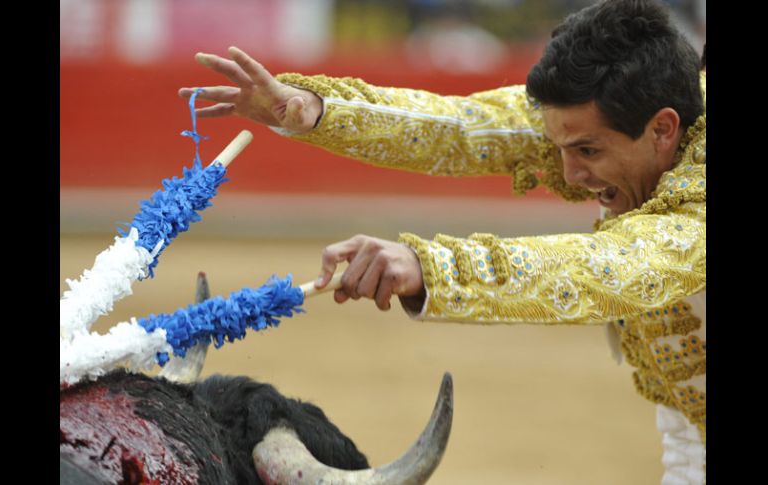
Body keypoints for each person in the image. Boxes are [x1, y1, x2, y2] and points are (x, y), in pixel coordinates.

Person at [179, 0, 706, 482]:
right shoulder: (637, 112)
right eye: (562, 147)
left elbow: (608, 267)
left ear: (663, 130)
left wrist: (427, 266)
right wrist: (314, 109)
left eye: (588, 150)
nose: (569, 174)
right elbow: (466, 128)